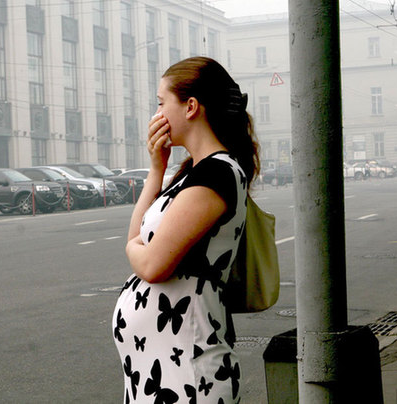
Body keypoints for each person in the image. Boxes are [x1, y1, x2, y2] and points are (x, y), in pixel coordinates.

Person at [112, 56, 259, 403]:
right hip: (162, 370)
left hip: (189, 375)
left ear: (191, 107)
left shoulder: (217, 174)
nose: (157, 114)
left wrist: (133, 246)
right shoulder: (195, 173)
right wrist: (156, 170)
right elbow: (142, 237)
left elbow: (151, 264)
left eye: (162, 103)